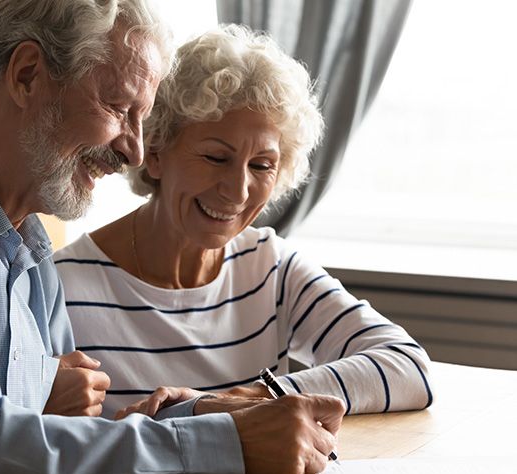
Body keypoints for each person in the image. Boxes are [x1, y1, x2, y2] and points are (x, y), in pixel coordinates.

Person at [0, 1, 346, 474]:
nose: (135, 149)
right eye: (119, 107)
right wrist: (228, 444)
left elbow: (58, 445)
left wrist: (213, 415)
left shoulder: (26, 245)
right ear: (27, 75)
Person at [54, 25, 434, 420]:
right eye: (216, 158)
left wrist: (256, 396)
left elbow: (408, 367)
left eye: (262, 165)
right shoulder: (62, 288)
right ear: (154, 152)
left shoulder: (270, 267)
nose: (237, 191)